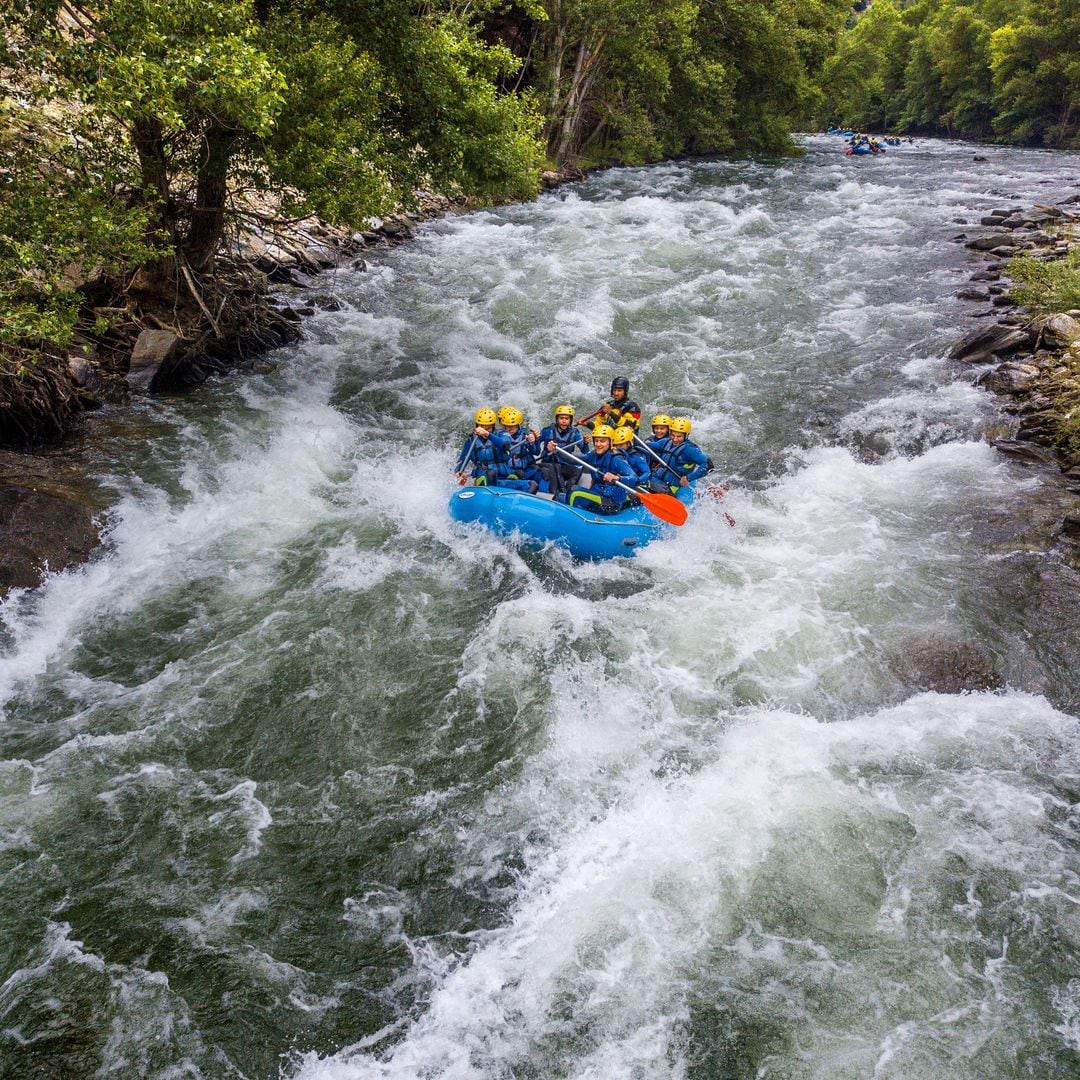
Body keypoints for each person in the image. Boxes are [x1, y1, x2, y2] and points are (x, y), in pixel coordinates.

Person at [565, 424, 636, 514]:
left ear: (611, 442)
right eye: (596, 441)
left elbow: (634, 478)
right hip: (597, 495)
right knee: (559, 497)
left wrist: (617, 478)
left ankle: (572, 524)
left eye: (602, 441)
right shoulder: (593, 455)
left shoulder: (617, 459)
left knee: (574, 492)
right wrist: (556, 451)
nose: (598, 444)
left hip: (610, 502)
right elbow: (574, 460)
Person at [645, 416, 710, 492]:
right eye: (672, 435)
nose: (675, 439)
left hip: (674, 486)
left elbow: (708, 464)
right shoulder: (665, 442)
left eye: (679, 436)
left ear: (686, 435)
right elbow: (648, 445)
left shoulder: (690, 450)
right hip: (656, 479)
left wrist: (688, 478)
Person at [538, 404, 587, 496]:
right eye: (561, 418)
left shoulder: (574, 433)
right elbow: (536, 450)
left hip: (564, 464)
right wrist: (534, 440)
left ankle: (568, 492)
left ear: (570, 420)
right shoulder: (547, 431)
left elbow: (584, 451)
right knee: (555, 468)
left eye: (566, 418)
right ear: (557, 419)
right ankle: (555, 493)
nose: (564, 421)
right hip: (548, 463)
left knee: (577, 471)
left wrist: (586, 443)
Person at [455, 408, 509, 486]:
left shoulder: (502, 434)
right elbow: (462, 459)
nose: (484, 431)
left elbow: (504, 445)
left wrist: (488, 434)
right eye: (482, 428)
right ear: (477, 426)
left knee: (531, 484)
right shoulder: (471, 441)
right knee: (490, 473)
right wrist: (458, 470)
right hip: (483, 475)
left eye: (488, 428)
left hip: (502, 477)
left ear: (493, 426)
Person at [494, 405, 542, 493]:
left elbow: (536, 452)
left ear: (518, 425)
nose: (508, 428)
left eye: (512, 426)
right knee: (520, 474)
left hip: (520, 467)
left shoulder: (524, 434)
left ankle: (546, 495)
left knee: (540, 471)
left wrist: (534, 442)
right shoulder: (499, 435)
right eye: (506, 425)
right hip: (507, 469)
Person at [610, 424, 650, 490]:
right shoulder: (616, 456)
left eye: (621, 444)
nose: (618, 447)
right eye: (616, 445)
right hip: (624, 481)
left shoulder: (636, 456)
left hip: (638, 486)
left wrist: (637, 481)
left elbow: (647, 473)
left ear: (629, 443)